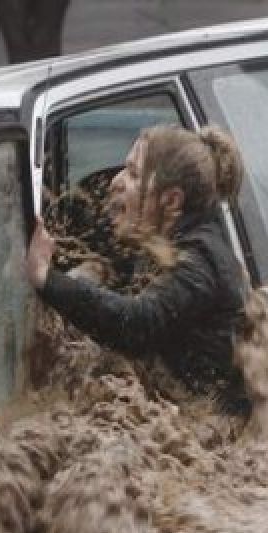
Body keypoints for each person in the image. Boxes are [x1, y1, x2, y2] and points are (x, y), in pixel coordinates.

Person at [25, 125, 250, 413]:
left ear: (171, 200)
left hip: (217, 431)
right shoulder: (162, 231)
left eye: (132, 173)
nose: (115, 181)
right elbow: (85, 227)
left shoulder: (200, 263)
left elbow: (135, 325)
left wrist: (46, 279)